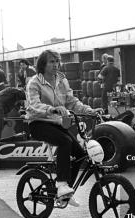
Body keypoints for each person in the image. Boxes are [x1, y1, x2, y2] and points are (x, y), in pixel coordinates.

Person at [26, 50, 103, 206]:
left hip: (56, 123)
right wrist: (52, 109)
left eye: (57, 61)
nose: (56, 65)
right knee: (64, 141)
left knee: (80, 155)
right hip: (38, 123)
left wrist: (89, 111)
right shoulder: (34, 82)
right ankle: (61, 184)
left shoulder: (62, 79)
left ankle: (66, 191)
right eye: (51, 62)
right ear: (43, 64)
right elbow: (33, 105)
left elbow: (72, 101)